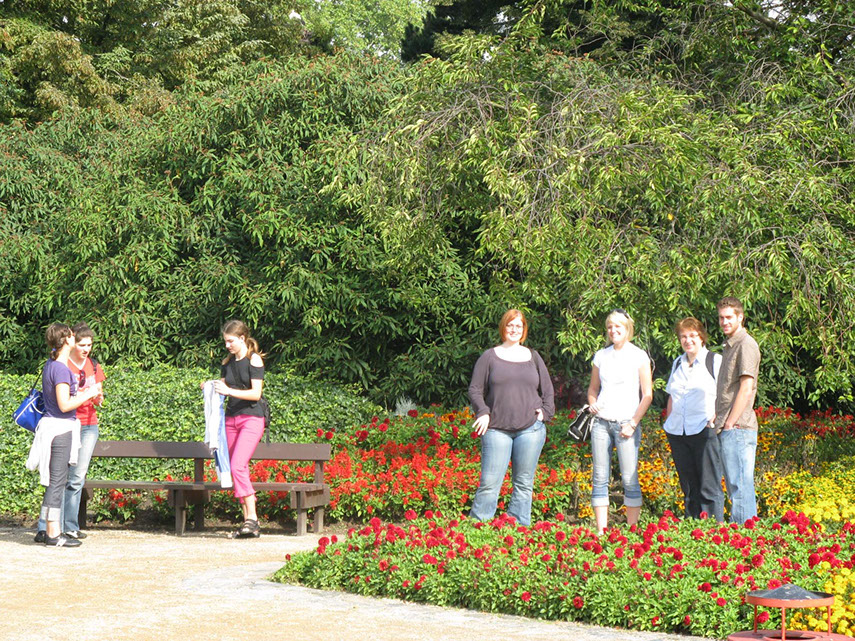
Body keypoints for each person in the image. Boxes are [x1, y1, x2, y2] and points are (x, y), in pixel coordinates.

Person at [468, 309, 554, 527]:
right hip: (497, 429)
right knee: (489, 484)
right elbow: (475, 389)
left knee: (523, 484)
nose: (514, 329)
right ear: (503, 327)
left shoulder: (533, 357)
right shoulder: (489, 357)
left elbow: (547, 389)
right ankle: (478, 531)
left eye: (519, 326)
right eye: (510, 325)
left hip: (530, 430)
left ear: (524, 330)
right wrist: (483, 411)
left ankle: (518, 531)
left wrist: (545, 412)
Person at [27, 323, 102, 547]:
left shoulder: (51, 364)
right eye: (71, 336)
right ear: (66, 341)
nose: (74, 338)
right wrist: (88, 393)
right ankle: (53, 533)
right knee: (57, 482)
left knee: (55, 482)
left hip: (55, 427)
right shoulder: (60, 368)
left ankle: (49, 531)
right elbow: (64, 404)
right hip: (60, 428)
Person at [586, 309, 653, 534]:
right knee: (599, 477)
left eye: (618, 327)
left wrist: (633, 423)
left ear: (627, 329)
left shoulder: (639, 356)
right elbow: (593, 390)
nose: (613, 330)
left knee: (629, 478)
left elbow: (647, 395)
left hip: (627, 423)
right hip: (601, 423)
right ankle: (601, 531)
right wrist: (592, 404)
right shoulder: (601, 356)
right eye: (609, 327)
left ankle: (632, 531)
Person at [663, 317, 724, 521]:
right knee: (689, 488)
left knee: (709, 486)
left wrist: (716, 417)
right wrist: (669, 421)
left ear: (701, 337)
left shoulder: (714, 361)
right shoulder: (677, 363)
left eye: (692, 335)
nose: (688, 340)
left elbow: (726, 393)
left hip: (703, 429)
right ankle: (692, 530)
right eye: (683, 336)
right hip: (678, 432)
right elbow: (672, 396)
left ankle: (713, 530)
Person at [214, 320, 266, 538]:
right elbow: (222, 387)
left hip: (252, 418)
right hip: (231, 419)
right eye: (225, 341)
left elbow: (256, 394)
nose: (227, 345)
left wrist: (228, 391)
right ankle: (249, 523)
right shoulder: (227, 362)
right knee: (234, 469)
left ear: (242, 338)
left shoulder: (254, 359)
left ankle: (252, 518)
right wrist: (210, 386)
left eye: (231, 341)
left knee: (237, 465)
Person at [714, 297, 761, 524]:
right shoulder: (730, 345)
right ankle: (744, 536)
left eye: (729, 317)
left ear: (740, 317)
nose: (724, 322)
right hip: (731, 426)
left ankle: (745, 537)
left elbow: (746, 388)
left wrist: (730, 423)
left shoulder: (746, 345)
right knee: (737, 486)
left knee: (740, 486)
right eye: (721, 318)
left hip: (738, 427)